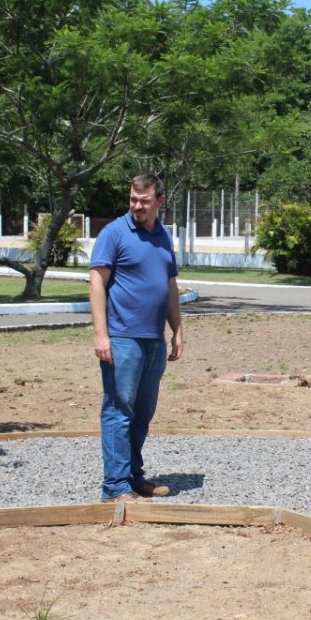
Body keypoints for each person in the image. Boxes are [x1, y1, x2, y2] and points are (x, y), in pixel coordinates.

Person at [89, 174, 184, 502]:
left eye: (144, 201)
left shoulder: (163, 236)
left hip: (153, 341)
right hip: (123, 339)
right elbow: (97, 283)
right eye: (133, 200)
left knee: (142, 413)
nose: (137, 206)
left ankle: (132, 476)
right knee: (118, 410)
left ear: (160, 201)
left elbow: (169, 285)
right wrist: (101, 335)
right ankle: (114, 487)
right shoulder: (113, 233)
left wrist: (177, 330)